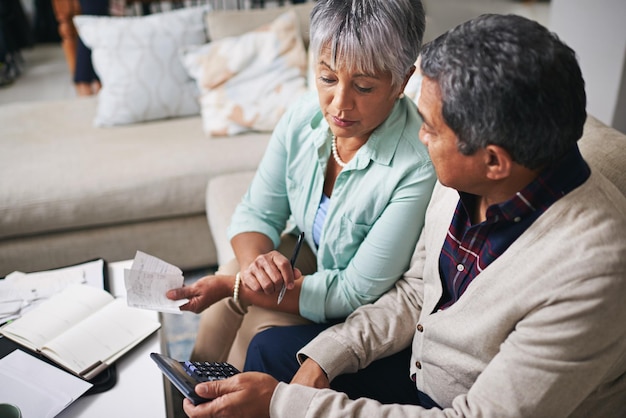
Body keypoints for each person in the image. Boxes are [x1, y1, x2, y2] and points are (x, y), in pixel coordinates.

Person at [178, 13, 626, 418]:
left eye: (429, 128)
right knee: (272, 350)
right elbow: (415, 291)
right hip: (419, 363)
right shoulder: (468, 179)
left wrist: (287, 404)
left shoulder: (592, 273)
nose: (418, 135)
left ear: (493, 161)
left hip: (455, 401)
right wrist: (325, 358)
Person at [166, 0, 435, 371]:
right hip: (310, 252)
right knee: (234, 269)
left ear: (401, 81)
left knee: (256, 326)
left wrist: (240, 287)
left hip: (358, 299)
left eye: (363, 86)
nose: (339, 104)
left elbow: (353, 291)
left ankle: (223, 398)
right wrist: (257, 265)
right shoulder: (303, 114)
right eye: (327, 78)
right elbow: (257, 212)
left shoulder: (416, 165)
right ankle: (192, 389)